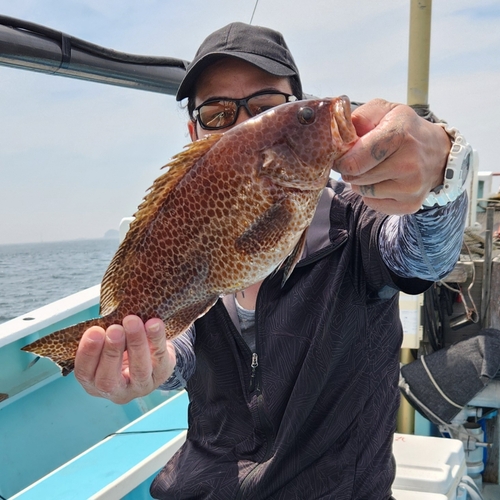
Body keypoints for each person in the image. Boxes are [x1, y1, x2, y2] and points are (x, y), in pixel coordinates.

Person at [74, 23, 470, 499]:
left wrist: (444, 174)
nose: (244, 126)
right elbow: (180, 346)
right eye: (218, 113)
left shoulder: (361, 219)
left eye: (268, 108)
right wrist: (149, 365)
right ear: (192, 131)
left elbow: (424, 256)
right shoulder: (189, 225)